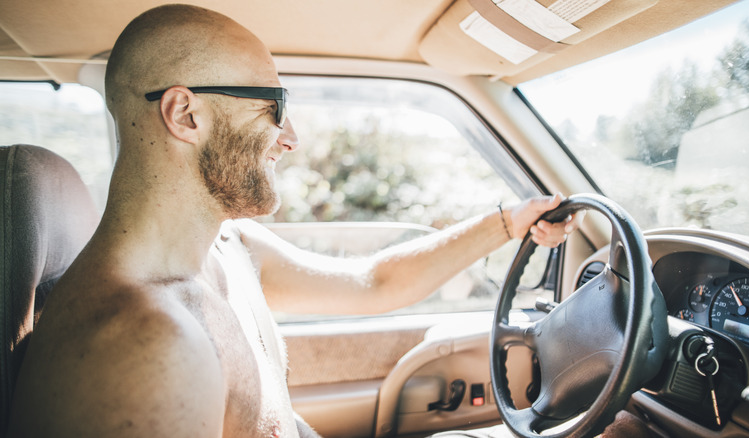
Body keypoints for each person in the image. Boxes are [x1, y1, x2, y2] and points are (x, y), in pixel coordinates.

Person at [7, 4, 582, 437]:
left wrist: (508, 223)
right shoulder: (144, 349)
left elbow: (374, 282)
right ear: (185, 114)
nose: (292, 138)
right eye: (274, 105)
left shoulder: (229, 246)